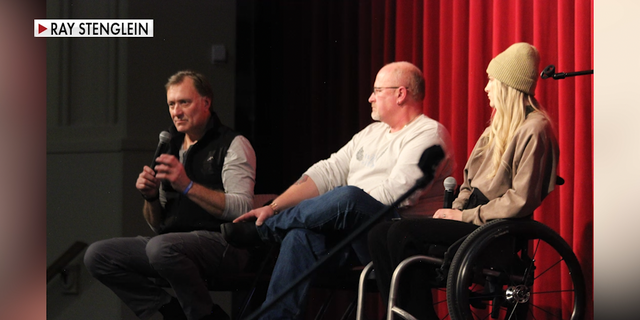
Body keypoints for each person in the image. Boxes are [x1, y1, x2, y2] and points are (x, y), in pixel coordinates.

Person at [221, 61, 454, 319]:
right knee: (300, 237)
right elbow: (327, 172)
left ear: (400, 94)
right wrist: (274, 206)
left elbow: (397, 194)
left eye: (377, 90)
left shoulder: (428, 133)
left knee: (350, 197)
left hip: (394, 237)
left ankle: (264, 230)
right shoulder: (371, 133)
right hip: (351, 235)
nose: (370, 97)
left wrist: (339, 207)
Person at [368, 42, 560, 319]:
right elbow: (468, 183)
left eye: (491, 81)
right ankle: (404, 314)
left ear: (507, 85)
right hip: (470, 217)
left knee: (401, 234)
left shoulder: (535, 128)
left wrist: (464, 216)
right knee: (379, 233)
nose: (486, 88)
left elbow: (520, 199)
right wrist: (452, 211)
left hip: (497, 229)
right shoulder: (495, 128)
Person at [83, 70, 257, 320]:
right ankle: (168, 312)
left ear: (206, 102)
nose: (176, 111)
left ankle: (204, 315)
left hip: (225, 243)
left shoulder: (233, 144)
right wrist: (151, 197)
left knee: (161, 248)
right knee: (98, 255)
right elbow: (158, 225)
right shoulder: (170, 146)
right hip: (170, 244)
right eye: (171, 104)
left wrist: (187, 185)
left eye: (184, 102)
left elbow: (241, 208)